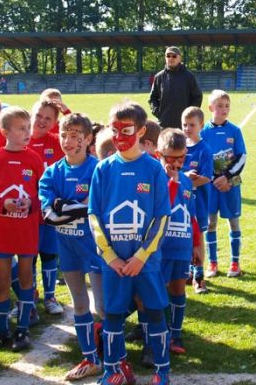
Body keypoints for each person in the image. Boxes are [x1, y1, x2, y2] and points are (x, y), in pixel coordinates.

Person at [88, 100, 171, 385]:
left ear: (141, 131)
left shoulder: (154, 169)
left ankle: (162, 372)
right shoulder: (103, 169)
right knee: (112, 314)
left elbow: (162, 217)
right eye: (114, 130)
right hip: (114, 263)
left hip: (145, 262)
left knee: (155, 311)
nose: (119, 137)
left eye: (126, 130)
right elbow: (94, 216)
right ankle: (114, 370)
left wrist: (141, 256)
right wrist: (110, 256)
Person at [38, 113, 104, 380]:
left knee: (103, 307)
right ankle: (90, 358)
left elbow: (94, 208)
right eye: (64, 135)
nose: (68, 141)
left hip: (97, 248)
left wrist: (63, 204)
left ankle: (114, 356)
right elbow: (50, 216)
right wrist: (79, 206)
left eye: (75, 136)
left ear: (87, 139)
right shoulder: (52, 172)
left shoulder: (98, 169)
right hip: (67, 248)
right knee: (79, 304)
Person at [0, 106, 43, 351]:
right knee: (2, 282)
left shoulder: (34, 159)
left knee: (26, 277)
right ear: (5, 132)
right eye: (21, 128)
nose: (27, 132)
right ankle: (2, 330)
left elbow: (43, 195)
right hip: (2, 233)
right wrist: (2, 204)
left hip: (27, 232)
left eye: (28, 128)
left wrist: (31, 203)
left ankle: (22, 329)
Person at [156, 128, 203, 356]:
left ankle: (176, 334)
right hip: (161, 248)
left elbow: (191, 215)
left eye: (181, 158)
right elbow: (162, 205)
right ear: (159, 155)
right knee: (159, 291)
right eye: (171, 159)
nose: (176, 164)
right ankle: (159, 332)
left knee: (178, 289)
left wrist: (196, 244)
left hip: (182, 246)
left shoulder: (187, 181)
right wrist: (171, 181)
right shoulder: (156, 178)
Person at [200, 90, 247, 278]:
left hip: (231, 185)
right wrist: (214, 179)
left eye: (227, 106)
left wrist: (226, 177)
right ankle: (212, 263)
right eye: (219, 106)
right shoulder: (203, 132)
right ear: (210, 108)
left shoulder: (235, 131)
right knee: (210, 223)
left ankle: (235, 263)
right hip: (210, 187)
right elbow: (201, 159)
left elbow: (242, 157)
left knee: (233, 222)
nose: (224, 109)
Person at [28, 100, 66, 316]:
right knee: (29, 256)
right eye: (38, 115)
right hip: (27, 213)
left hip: (51, 212)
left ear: (54, 123)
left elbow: (78, 131)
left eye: (48, 118)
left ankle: (50, 296)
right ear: (31, 115)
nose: (42, 121)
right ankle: (30, 294)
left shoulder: (57, 142)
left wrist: (66, 110)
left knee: (50, 254)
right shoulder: (19, 139)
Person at [181, 106, 213, 294]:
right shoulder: (179, 147)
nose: (187, 128)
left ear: (201, 125)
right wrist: (183, 179)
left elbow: (207, 177)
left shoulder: (204, 150)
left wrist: (187, 183)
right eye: (184, 124)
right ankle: (188, 272)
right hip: (180, 204)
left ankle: (199, 277)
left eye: (192, 125)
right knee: (183, 237)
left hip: (198, 203)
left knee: (198, 238)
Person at [149, 46, 203, 129]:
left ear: (180, 58)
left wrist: (190, 113)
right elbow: (152, 98)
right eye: (168, 56)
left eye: (174, 56)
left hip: (184, 125)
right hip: (164, 125)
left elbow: (197, 97)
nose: (171, 58)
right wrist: (158, 112)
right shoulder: (159, 77)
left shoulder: (189, 76)